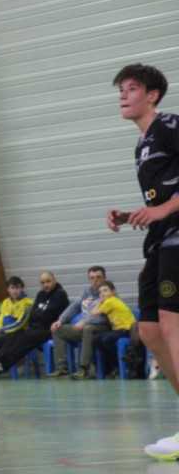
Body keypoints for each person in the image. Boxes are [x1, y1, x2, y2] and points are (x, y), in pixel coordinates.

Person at [107, 64, 179, 460]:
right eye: (121, 89)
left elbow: (168, 202)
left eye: (132, 88)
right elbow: (161, 199)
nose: (123, 95)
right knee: (150, 330)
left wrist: (164, 209)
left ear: (152, 95)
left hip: (177, 236)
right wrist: (132, 214)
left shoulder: (169, 126)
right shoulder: (143, 144)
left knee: (171, 323)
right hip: (159, 239)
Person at [0, 272, 68, 375]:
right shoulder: (41, 294)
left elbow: (49, 315)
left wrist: (39, 315)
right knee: (16, 337)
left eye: (48, 281)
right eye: (42, 283)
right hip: (35, 328)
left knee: (22, 338)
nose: (45, 285)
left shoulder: (60, 294)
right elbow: (33, 314)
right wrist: (39, 315)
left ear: (54, 280)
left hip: (49, 329)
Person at [47, 266, 110, 377]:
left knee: (88, 328)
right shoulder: (87, 292)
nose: (95, 280)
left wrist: (85, 321)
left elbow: (103, 317)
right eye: (92, 278)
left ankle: (84, 369)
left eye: (98, 277)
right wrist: (60, 320)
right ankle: (62, 368)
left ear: (104, 278)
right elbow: (74, 306)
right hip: (84, 327)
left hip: (102, 328)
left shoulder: (108, 293)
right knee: (57, 329)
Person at [91, 281, 136, 377]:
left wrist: (99, 301)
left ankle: (117, 365)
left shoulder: (110, 301)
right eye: (100, 292)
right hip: (118, 330)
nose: (102, 294)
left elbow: (94, 312)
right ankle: (111, 367)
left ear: (113, 292)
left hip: (126, 329)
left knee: (106, 340)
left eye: (105, 290)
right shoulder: (109, 301)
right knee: (96, 339)